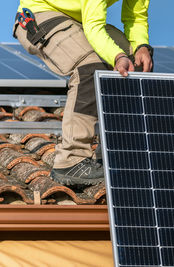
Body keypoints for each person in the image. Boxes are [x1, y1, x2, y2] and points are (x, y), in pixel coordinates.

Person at [13, 0, 153, 186]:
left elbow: (135, 17)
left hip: (79, 19)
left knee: (136, 63)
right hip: (40, 13)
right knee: (90, 66)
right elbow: (93, 27)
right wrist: (117, 57)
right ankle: (71, 160)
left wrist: (141, 46)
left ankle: (114, 154)